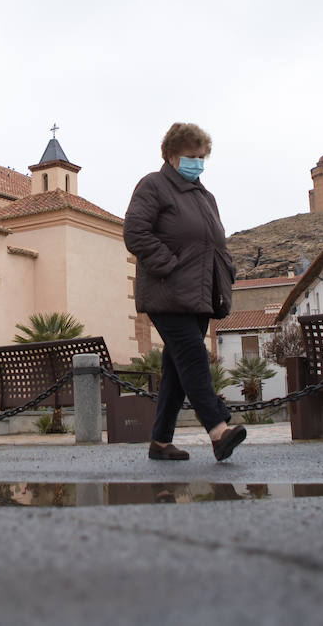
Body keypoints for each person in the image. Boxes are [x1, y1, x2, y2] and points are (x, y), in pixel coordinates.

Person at [123, 122, 245, 462]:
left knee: (177, 370)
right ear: (172, 155)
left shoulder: (206, 197)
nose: (198, 163)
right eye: (192, 156)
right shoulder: (154, 186)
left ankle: (160, 442)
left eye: (202, 157)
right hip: (167, 292)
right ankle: (218, 431)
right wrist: (170, 265)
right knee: (192, 356)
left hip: (199, 296)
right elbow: (135, 232)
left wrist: (226, 273)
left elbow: (213, 245)